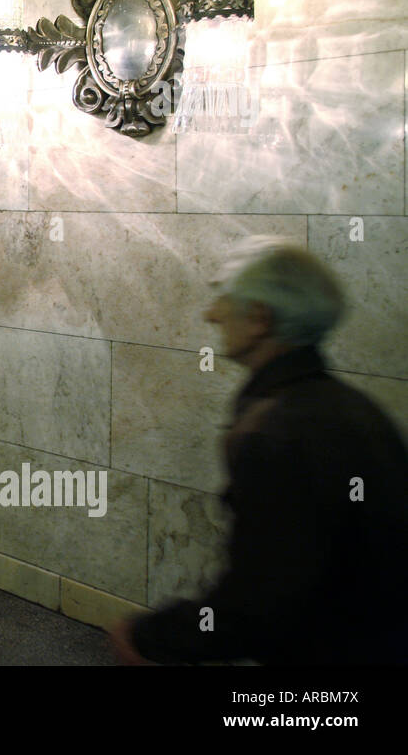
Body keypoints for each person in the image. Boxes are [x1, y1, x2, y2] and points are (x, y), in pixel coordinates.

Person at [109, 237, 408, 665]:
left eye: (223, 302)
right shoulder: (351, 408)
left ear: (259, 318)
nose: (210, 314)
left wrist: (150, 637)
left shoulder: (279, 433)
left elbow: (254, 604)